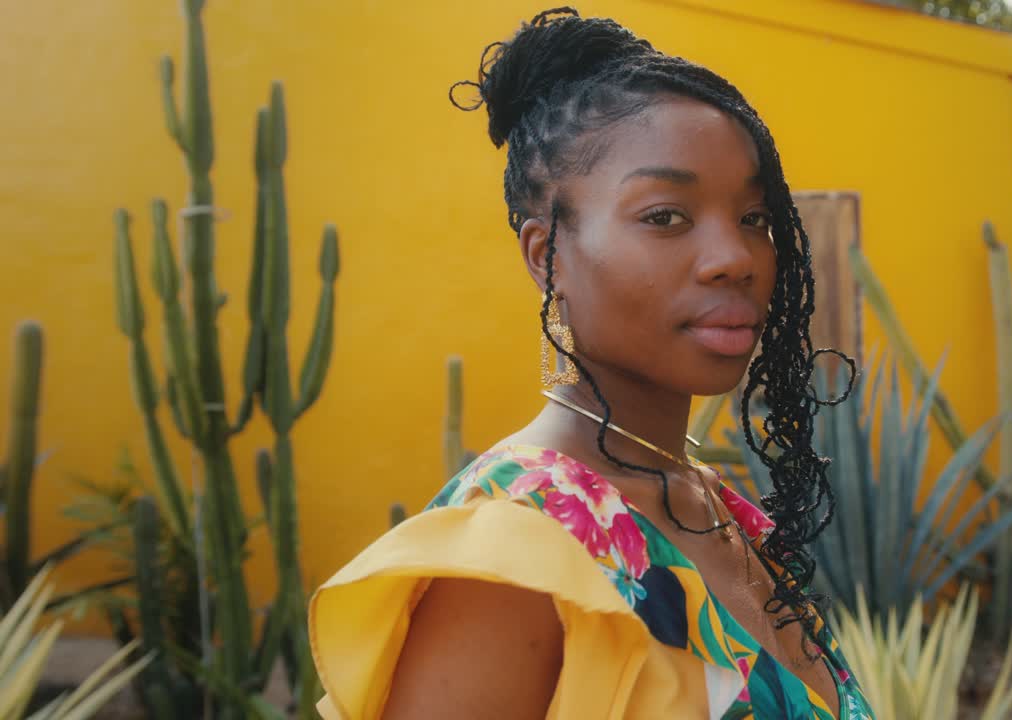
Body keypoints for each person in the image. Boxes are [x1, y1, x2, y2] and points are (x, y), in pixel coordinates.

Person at [308, 8, 873, 719]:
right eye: (665, 216)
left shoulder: (711, 507)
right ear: (548, 257)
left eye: (754, 219)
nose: (735, 258)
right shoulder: (517, 559)